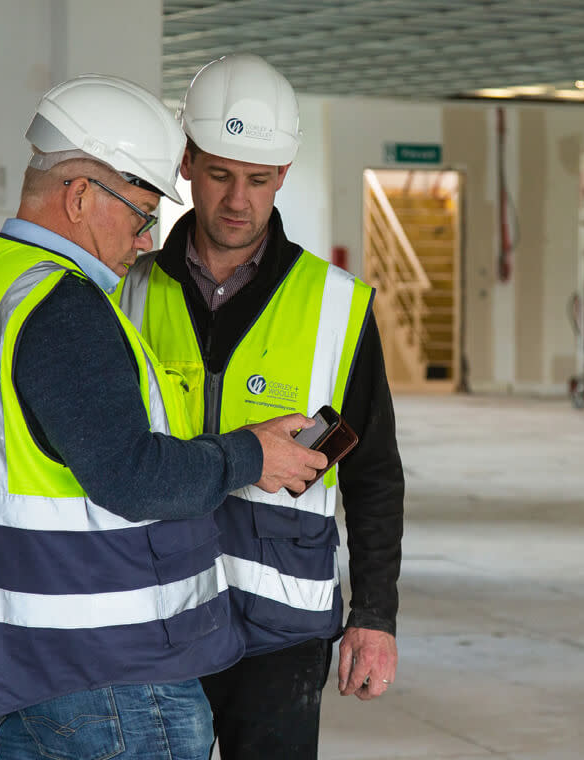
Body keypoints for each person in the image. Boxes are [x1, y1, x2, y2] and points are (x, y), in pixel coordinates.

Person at [0, 73, 326, 760]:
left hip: (36, 651)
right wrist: (251, 453)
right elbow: (131, 476)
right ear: (78, 196)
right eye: (139, 215)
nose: (143, 242)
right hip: (109, 671)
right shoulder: (65, 306)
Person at [119, 54, 405, 759]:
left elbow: (373, 476)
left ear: (283, 174)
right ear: (187, 163)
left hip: (283, 632)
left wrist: (374, 615)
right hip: (153, 612)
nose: (237, 200)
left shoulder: (337, 306)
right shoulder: (124, 293)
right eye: (219, 174)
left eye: (257, 179)